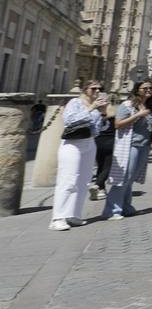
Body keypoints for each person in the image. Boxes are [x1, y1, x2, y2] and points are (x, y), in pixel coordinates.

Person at [50, 81, 107, 231]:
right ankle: (57, 218)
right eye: (93, 88)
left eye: (99, 89)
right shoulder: (75, 102)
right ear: (85, 89)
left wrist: (103, 112)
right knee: (68, 180)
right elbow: (69, 120)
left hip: (89, 143)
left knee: (84, 181)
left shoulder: (96, 106)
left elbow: (98, 129)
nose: (97, 91)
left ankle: (73, 214)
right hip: (72, 144)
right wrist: (91, 108)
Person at [104, 81, 152, 219]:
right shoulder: (127, 105)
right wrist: (138, 115)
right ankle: (112, 209)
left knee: (131, 178)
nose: (149, 90)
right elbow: (118, 124)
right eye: (145, 88)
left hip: (143, 146)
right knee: (125, 177)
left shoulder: (148, 106)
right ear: (137, 90)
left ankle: (126, 206)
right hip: (130, 145)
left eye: (151, 88)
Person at [88, 94, 117, 203]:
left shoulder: (94, 113)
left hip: (97, 141)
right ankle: (97, 185)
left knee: (101, 165)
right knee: (108, 166)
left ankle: (101, 189)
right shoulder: (113, 113)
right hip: (109, 141)